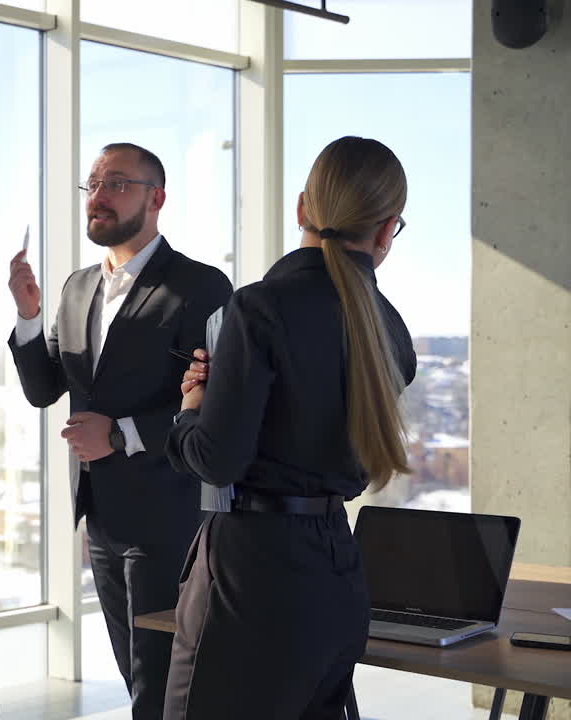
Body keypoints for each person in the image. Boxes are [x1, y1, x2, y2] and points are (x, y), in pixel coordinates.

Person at [162, 136, 417, 720]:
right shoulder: (392, 332)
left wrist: (192, 410)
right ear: (386, 233)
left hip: (249, 576)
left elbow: (216, 459)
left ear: (303, 209)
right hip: (337, 573)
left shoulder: (257, 309)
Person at [8, 143, 232, 719]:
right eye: (93, 185)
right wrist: (29, 316)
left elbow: (217, 403)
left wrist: (122, 433)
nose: (98, 198)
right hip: (101, 517)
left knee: (165, 683)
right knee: (135, 676)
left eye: (115, 184)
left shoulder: (201, 287)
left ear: (156, 198)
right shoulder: (77, 287)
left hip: (170, 513)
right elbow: (44, 389)